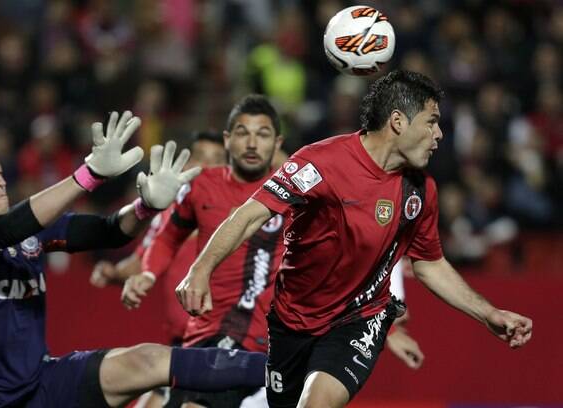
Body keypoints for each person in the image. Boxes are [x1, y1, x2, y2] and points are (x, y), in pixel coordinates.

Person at [176, 70, 533, 408]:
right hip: (291, 320)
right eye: (431, 121)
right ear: (398, 121)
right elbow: (251, 213)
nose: (439, 134)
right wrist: (201, 269)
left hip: (360, 317)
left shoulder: (421, 190)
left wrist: (489, 314)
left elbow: (429, 264)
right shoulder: (320, 164)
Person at [0, 111, 267, 408]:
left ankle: (279, 371)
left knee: (146, 359)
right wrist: (87, 176)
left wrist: (146, 206)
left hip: (38, 383)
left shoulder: (27, 231)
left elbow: (108, 231)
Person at [123, 94, 285, 408]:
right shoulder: (202, 187)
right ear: (227, 139)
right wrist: (147, 273)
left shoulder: (291, 195)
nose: (252, 144)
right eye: (242, 133)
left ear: (277, 144)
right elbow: (168, 236)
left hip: (253, 338)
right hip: (198, 335)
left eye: (262, 135)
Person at [89, 130, 227, 408]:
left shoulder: (238, 216)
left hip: (223, 344)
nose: (208, 167)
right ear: (186, 164)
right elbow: (144, 260)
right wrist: (115, 274)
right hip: (181, 342)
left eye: (217, 160)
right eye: (200, 158)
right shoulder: (170, 215)